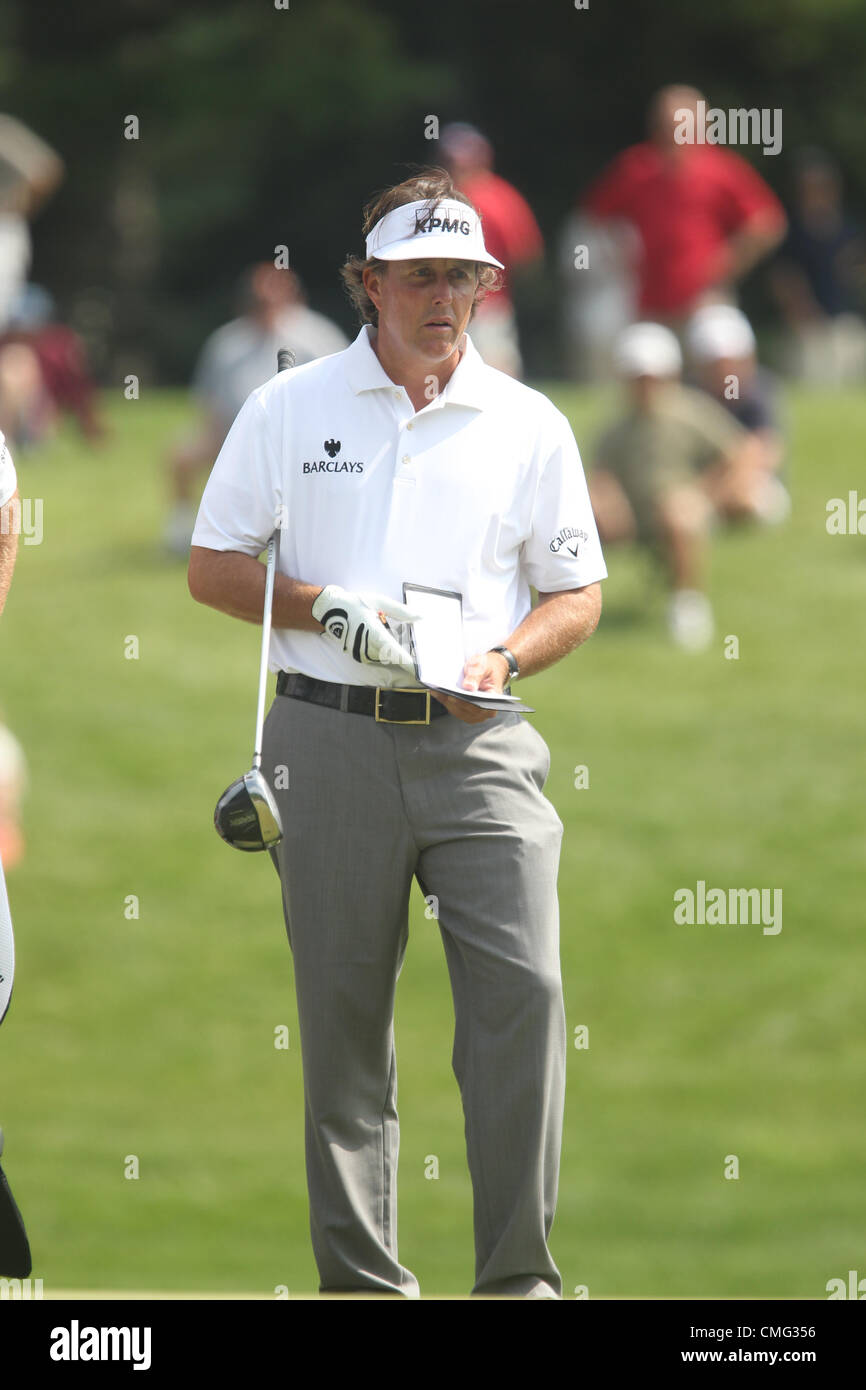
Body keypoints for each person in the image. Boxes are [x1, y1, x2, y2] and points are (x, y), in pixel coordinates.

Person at [188, 169, 606, 1298]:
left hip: (481, 739)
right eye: (417, 276)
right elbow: (215, 566)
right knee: (342, 1029)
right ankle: (363, 1287)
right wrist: (322, 604)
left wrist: (507, 655)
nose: (441, 298)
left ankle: (518, 1281)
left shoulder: (528, 420)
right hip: (325, 737)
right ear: (366, 283)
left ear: (486, 286)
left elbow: (575, 590)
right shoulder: (289, 405)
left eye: (461, 278)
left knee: (524, 1001)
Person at [589, 322, 762, 650]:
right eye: (638, 379)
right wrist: (606, 502)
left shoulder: (691, 412)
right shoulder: (615, 428)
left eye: (652, 378)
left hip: (678, 512)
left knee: (677, 514)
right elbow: (599, 475)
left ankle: (687, 605)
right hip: (632, 517)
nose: (646, 387)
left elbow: (739, 455)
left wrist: (704, 497)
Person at [165, 263, 348, 555]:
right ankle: (182, 528)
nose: (267, 310)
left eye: (274, 301)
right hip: (235, 433)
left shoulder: (319, 338)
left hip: (303, 438)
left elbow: (341, 396)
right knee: (182, 453)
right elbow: (210, 403)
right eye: (259, 302)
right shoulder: (227, 343)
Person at [581, 85, 787, 328]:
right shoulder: (636, 168)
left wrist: (727, 262)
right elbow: (593, 217)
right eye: (665, 124)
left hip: (705, 301)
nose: (671, 133)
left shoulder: (720, 168)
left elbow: (768, 223)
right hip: (650, 303)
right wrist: (619, 258)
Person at [440, 124, 544, 376]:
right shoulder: (437, 195)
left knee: (495, 370)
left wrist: (497, 286)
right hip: (442, 300)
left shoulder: (500, 197)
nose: (459, 167)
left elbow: (526, 254)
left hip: (488, 305)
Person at [686, 303, 790, 523]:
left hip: (741, 479)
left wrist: (723, 480)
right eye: (715, 365)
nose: (724, 372)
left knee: (748, 500)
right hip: (700, 479)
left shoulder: (758, 392)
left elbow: (766, 452)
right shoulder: (689, 395)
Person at [769, 148, 866, 384]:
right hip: (807, 324)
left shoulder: (847, 230)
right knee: (815, 381)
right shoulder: (791, 232)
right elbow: (781, 277)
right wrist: (800, 312)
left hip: (846, 321)